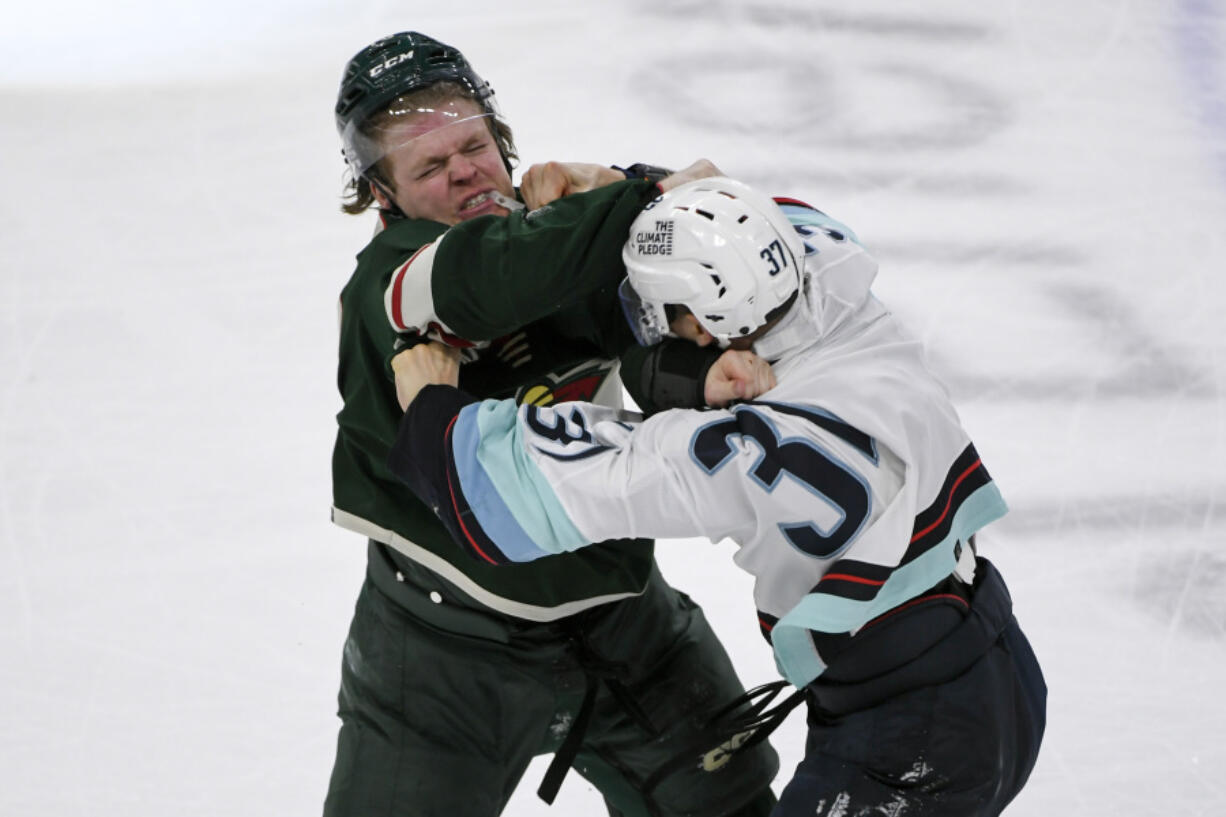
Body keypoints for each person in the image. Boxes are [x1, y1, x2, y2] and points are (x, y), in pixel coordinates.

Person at [387, 177, 1048, 816]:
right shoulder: (838, 278)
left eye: (662, 312)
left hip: (907, 744)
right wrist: (624, 183)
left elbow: (496, 495)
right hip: (1001, 665)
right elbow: (754, 211)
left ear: (703, 328)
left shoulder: (720, 454)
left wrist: (431, 402)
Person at [325, 31, 780, 817]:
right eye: (429, 167)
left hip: (625, 622)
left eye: (473, 146)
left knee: (734, 807)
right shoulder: (391, 283)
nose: (464, 170)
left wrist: (696, 372)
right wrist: (641, 193)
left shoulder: (556, 237)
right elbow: (487, 276)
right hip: (443, 657)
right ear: (385, 196)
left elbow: (621, 352)